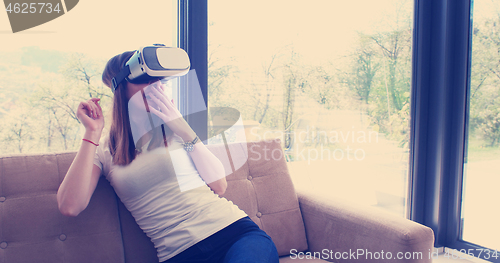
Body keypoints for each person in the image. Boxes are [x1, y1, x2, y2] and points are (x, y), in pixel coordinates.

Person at [56, 50, 279, 263]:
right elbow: (70, 206)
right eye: (145, 79)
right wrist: (91, 132)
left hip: (235, 235)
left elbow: (219, 185)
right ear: (121, 88)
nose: (156, 86)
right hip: (179, 254)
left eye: (159, 81)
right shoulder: (104, 150)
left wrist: (182, 127)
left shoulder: (175, 130)